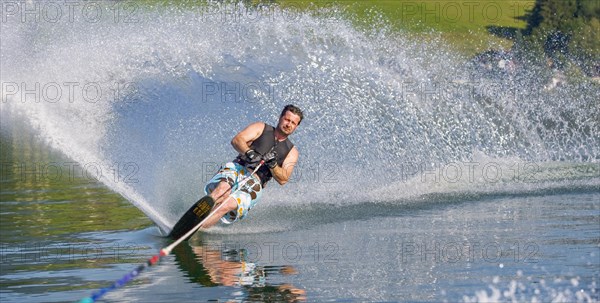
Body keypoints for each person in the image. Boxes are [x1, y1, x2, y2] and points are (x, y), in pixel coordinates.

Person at [201, 104, 303, 228]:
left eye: (293, 123)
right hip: (238, 168)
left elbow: (283, 179)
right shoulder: (261, 128)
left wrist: (273, 165)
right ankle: (195, 216)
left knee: (227, 204)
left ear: (296, 126)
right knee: (221, 190)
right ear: (280, 118)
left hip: (255, 184)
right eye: (287, 119)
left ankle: (197, 230)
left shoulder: (292, 152)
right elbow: (237, 140)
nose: (289, 124)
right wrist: (249, 152)